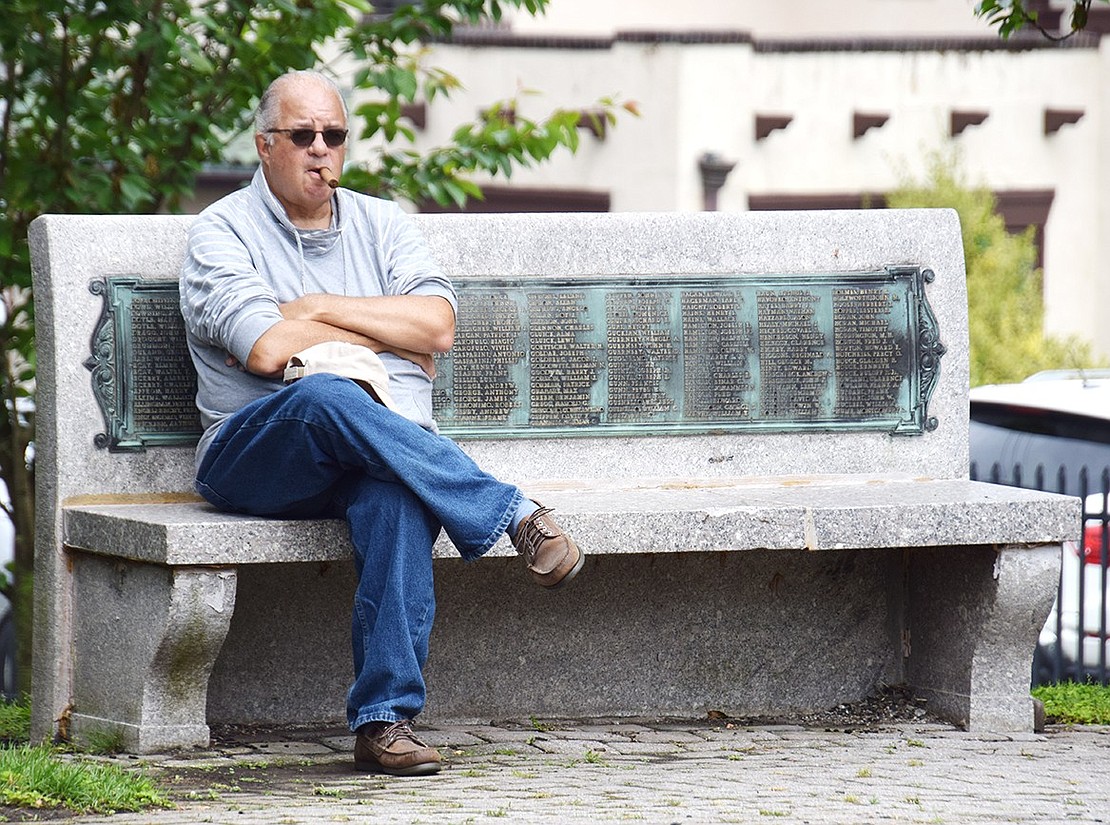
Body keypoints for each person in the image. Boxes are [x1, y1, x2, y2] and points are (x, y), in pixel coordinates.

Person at [179, 70, 583, 777]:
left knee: (398, 493)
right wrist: (390, 337)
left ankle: (384, 721)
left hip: (375, 454)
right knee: (328, 395)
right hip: (258, 451)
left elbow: (438, 328)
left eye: (333, 136)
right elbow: (271, 349)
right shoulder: (222, 234)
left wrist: (318, 306)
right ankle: (511, 511)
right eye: (302, 136)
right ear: (264, 144)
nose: (320, 150)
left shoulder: (383, 224)